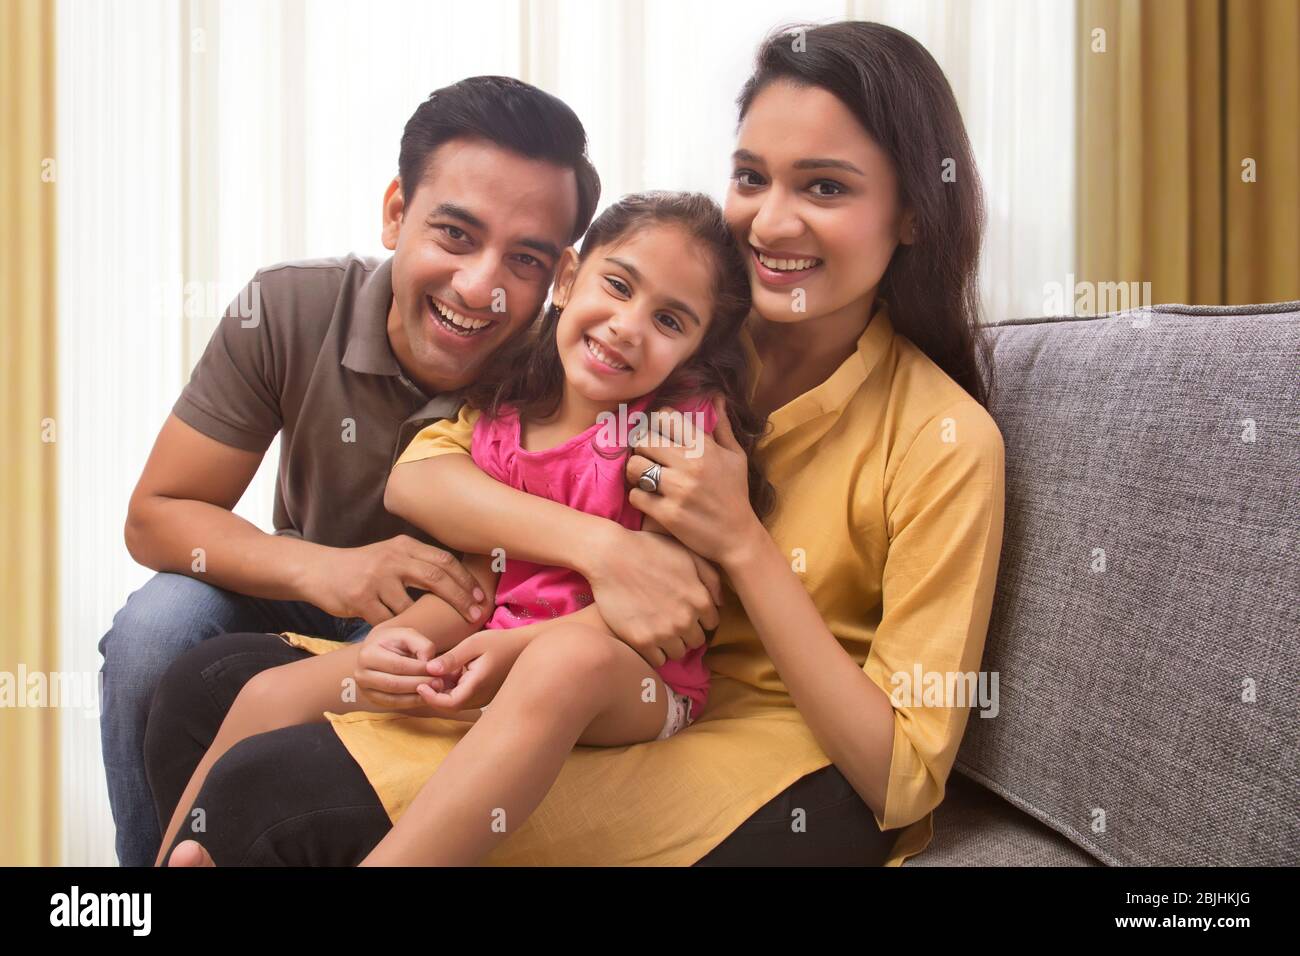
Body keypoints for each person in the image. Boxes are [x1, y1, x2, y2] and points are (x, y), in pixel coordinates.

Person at [145, 20, 1006, 867]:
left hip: (718, 735)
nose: (771, 222)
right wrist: (599, 553)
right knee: (198, 688)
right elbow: (430, 469)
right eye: (752, 176)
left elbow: (901, 781)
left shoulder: (941, 439)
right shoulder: (662, 351)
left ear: (914, 215)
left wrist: (741, 542)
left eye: (825, 188)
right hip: (557, 661)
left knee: (269, 796)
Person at [100, 75, 732, 867]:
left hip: (476, 616)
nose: (480, 287)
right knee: (158, 630)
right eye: (457, 235)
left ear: (556, 273)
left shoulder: (560, 369)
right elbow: (156, 514)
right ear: (397, 212)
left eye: (525, 258)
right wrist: (328, 569)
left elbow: (518, 579)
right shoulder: (291, 308)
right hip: (319, 583)